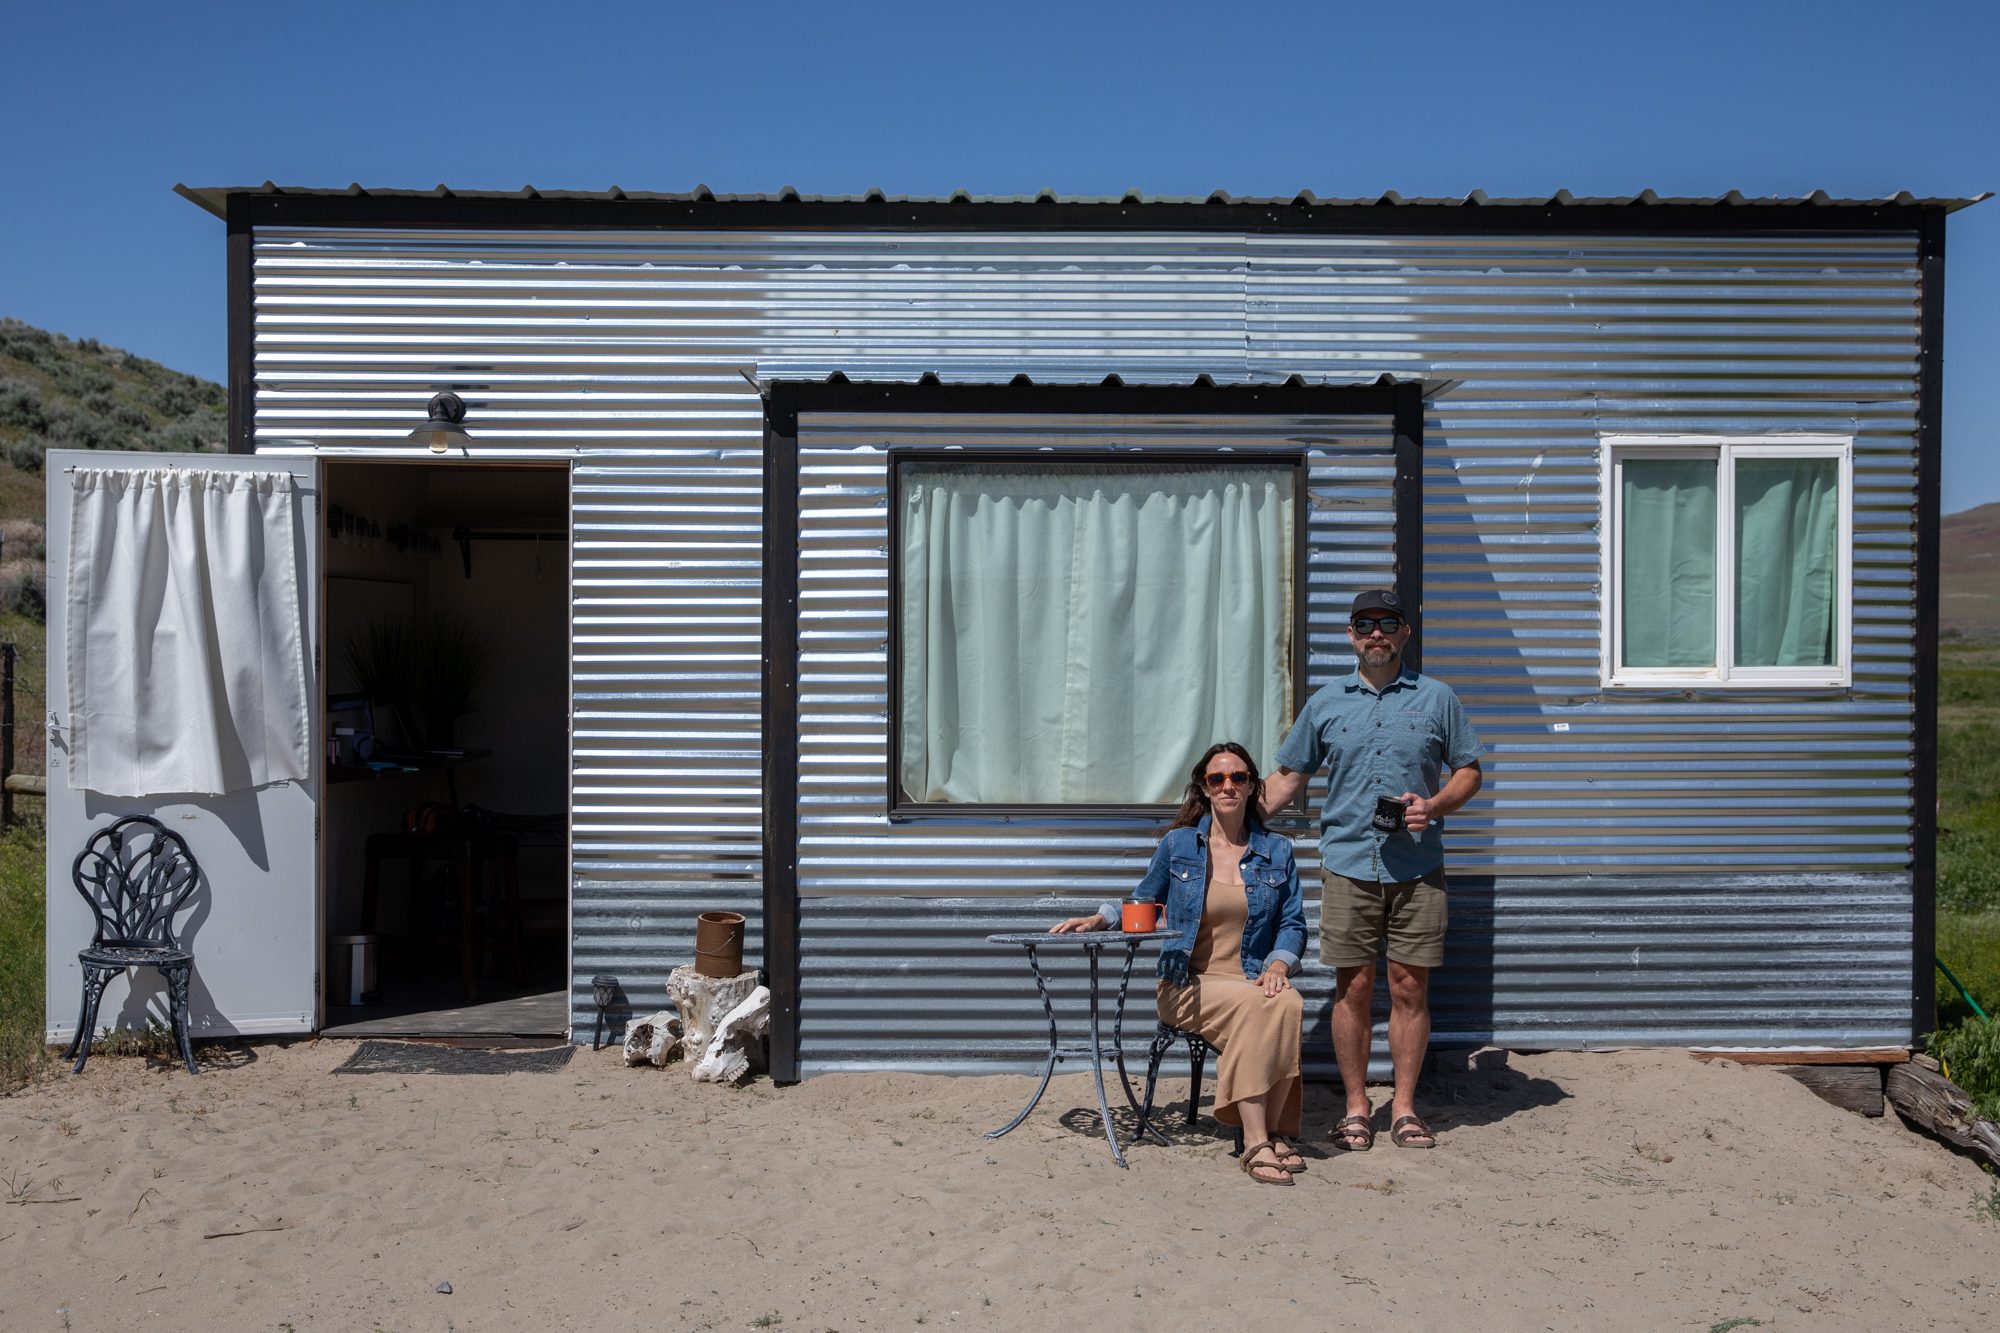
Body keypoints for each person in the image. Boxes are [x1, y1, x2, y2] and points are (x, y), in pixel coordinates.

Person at [1260, 589, 1484, 1152]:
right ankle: (1358, 1108)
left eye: (1389, 623)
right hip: (1349, 864)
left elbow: (1469, 772)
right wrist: (1222, 814)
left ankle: (1404, 1108)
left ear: (1406, 633)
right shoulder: (1326, 701)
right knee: (1353, 987)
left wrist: (1434, 806)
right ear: (1352, 635)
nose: (1377, 633)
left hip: (1418, 867)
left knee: (1411, 988)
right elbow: (1289, 778)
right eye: (1366, 624)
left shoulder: (1438, 698)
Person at [1052, 741, 1308, 1186]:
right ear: (1204, 789)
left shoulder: (1277, 851)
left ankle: (1273, 1130)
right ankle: (1255, 1141)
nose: (1228, 785)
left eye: (1238, 777)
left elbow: (1293, 923)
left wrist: (1280, 964)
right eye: (1217, 778)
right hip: (1186, 984)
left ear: (1251, 787)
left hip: (1248, 977)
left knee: (1287, 1002)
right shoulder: (1179, 846)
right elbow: (1144, 899)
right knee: (1259, 1008)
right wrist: (1101, 918)